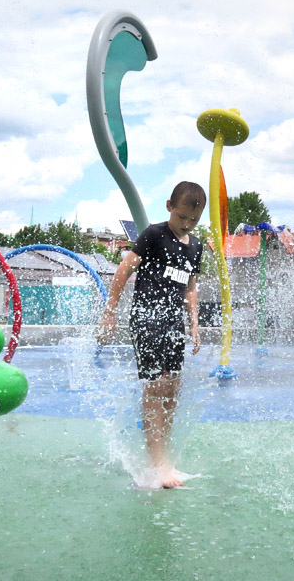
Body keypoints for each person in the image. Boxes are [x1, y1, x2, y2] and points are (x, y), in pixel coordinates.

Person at [97, 181, 205, 488]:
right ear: (170, 206)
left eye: (193, 221)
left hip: (173, 323)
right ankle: (158, 465)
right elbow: (124, 269)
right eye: (182, 217)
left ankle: (163, 460)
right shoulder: (154, 235)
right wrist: (109, 312)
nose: (186, 224)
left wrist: (194, 324)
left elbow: (191, 288)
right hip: (146, 319)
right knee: (156, 386)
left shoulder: (195, 246)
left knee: (173, 388)